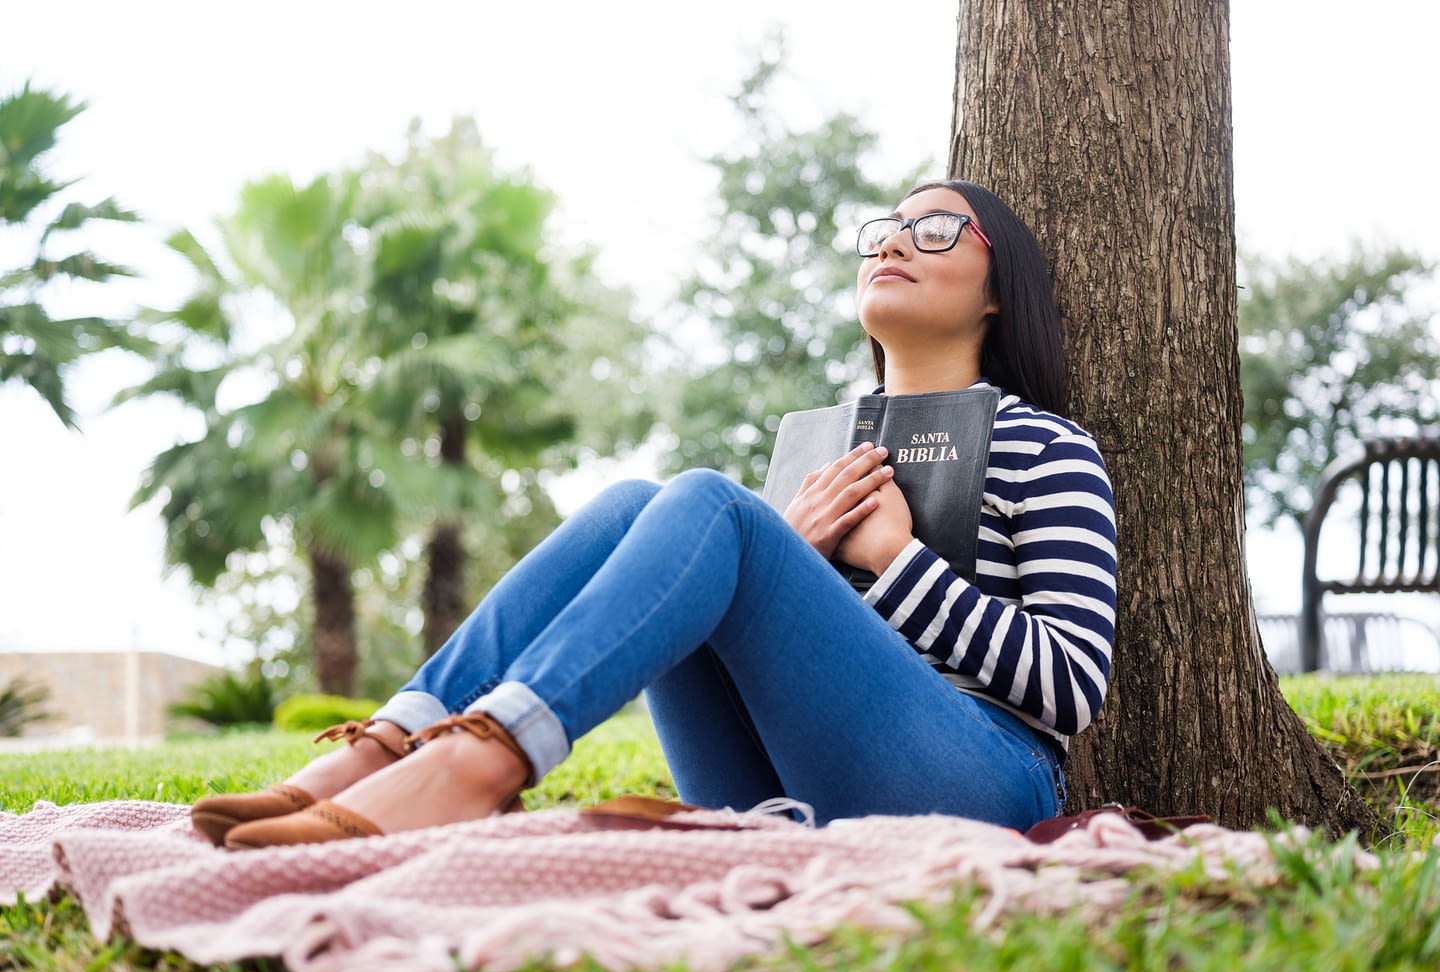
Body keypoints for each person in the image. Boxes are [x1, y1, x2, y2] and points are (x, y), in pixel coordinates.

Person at [191, 179, 1118, 850]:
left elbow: (1073, 691)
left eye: (938, 229)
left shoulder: (1047, 447)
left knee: (713, 503)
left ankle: (484, 761)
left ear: (1000, 291)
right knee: (641, 504)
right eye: (885, 228)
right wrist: (786, 557)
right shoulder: (819, 453)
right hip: (771, 793)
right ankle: (395, 741)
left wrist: (898, 562)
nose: (892, 242)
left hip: (977, 780)